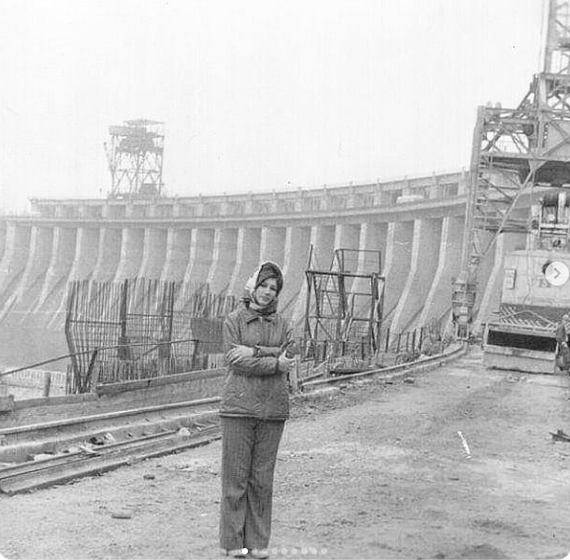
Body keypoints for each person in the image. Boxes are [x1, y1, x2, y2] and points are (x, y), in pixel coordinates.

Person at [219, 261, 296, 559]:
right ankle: (233, 544)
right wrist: (275, 362)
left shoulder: (283, 324)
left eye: (273, 288)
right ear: (253, 286)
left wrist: (255, 351)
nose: (267, 292)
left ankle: (258, 544)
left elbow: (292, 354)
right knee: (235, 480)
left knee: (262, 481)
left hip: (272, 410)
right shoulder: (233, 320)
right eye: (263, 285)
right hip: (238, 408)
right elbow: (234, 360)